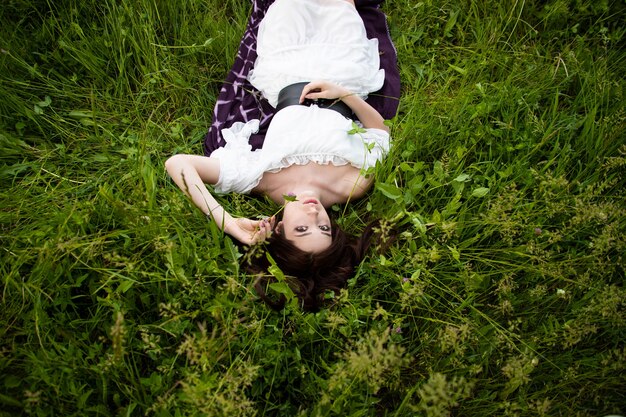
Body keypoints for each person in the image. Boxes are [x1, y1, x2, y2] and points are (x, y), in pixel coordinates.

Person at [165, 0, 396, 310]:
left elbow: (178, 163)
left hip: (286, 65)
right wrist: (344, 94)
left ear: (278, 228)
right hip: (342, 67)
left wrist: (228, 222)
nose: (315, 216)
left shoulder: (259, 177)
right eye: (324, 228)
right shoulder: (351, 185)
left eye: (302, 229)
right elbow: (379, 132)